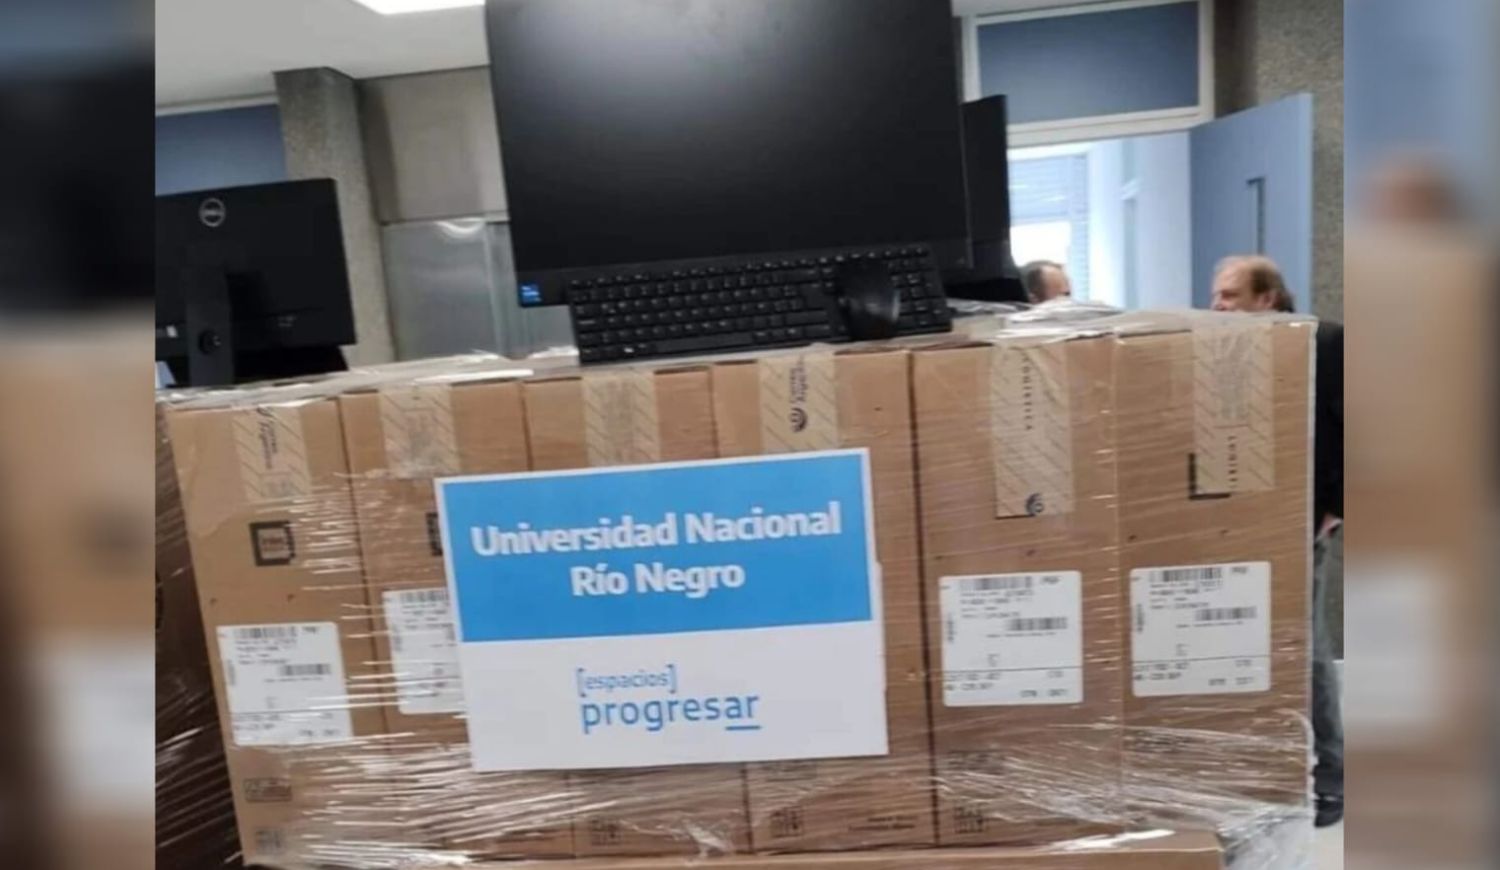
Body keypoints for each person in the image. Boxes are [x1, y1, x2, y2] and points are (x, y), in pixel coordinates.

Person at [1208, 255, 1344, 827]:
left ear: (1267, 298)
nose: (1217, 306)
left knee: (1306, 648)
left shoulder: (1325, 343)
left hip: (1306, 517)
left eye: (1229, 295)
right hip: (1245, 523)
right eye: (1216, 295)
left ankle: (1332, 777)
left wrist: (1335, 510)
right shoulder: (1225, 352)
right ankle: (1264, 768)